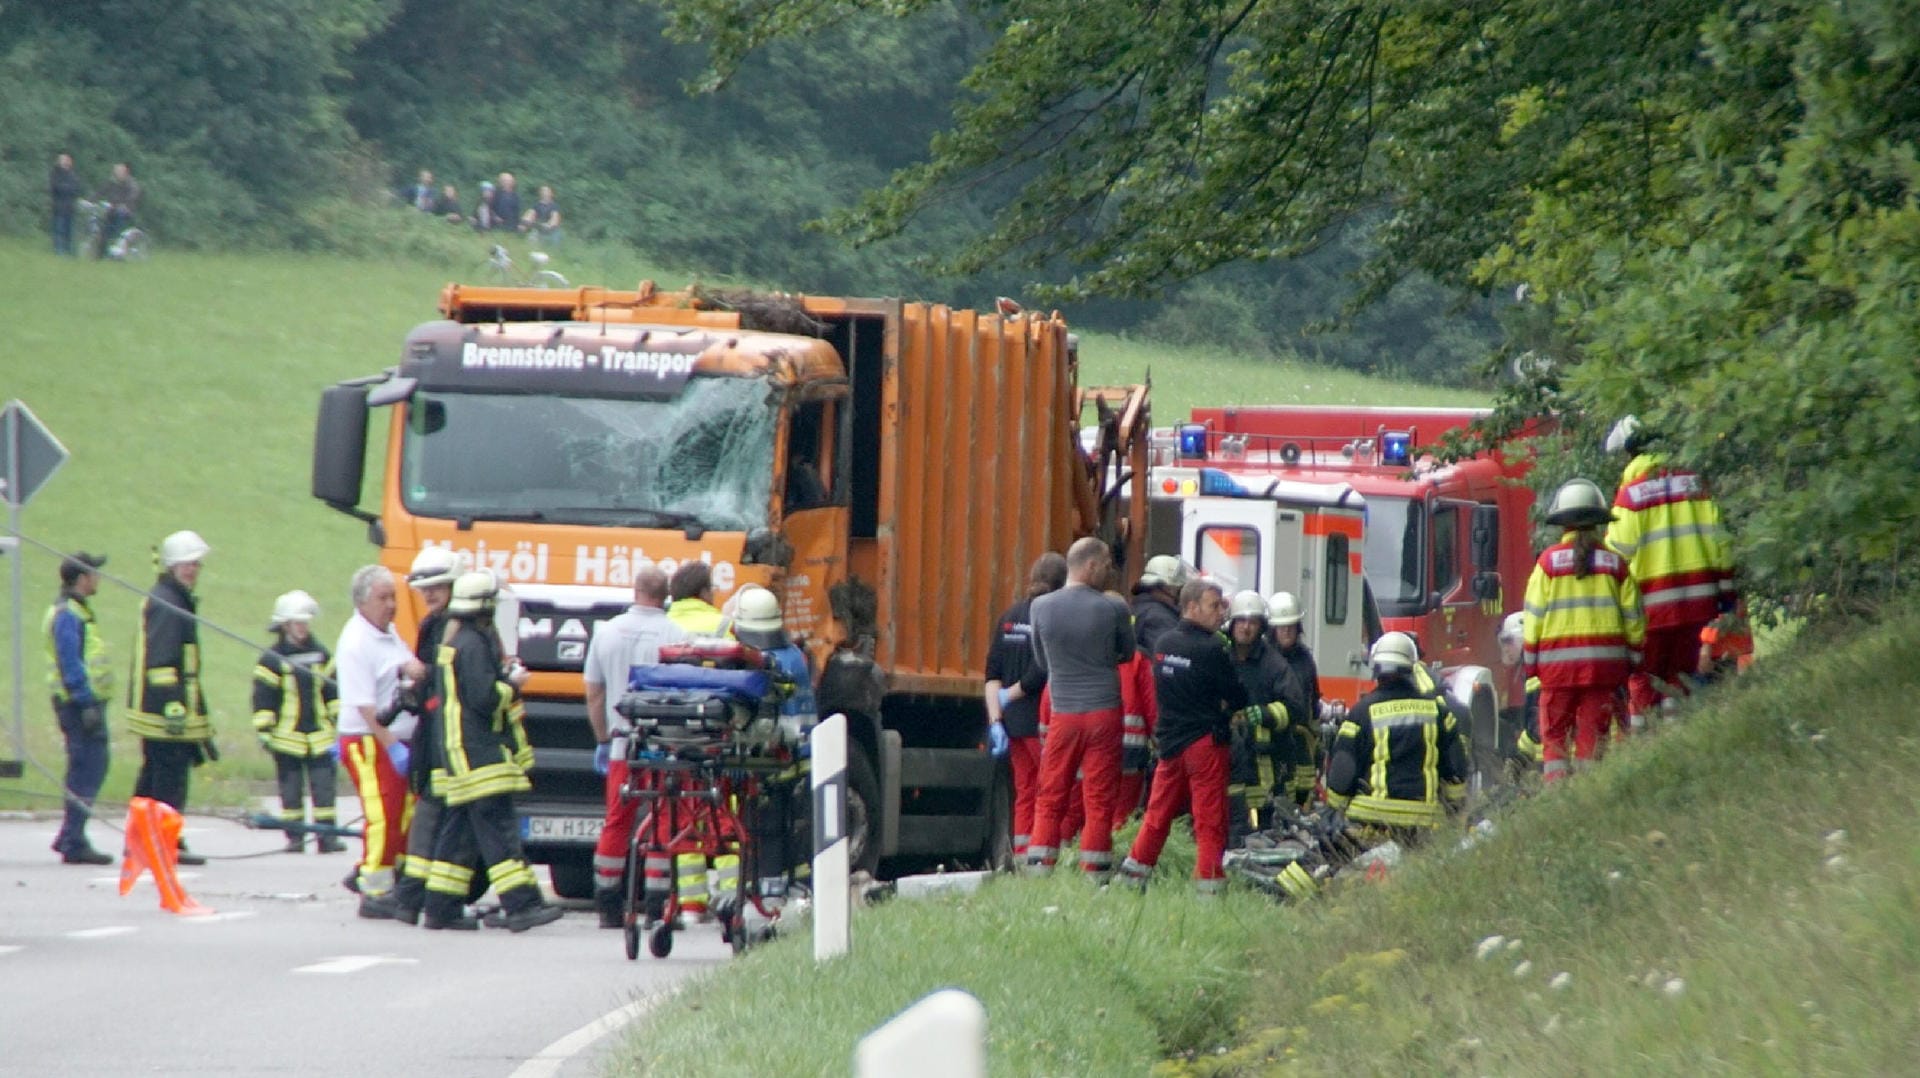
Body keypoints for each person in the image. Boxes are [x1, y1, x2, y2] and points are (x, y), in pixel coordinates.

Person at [419, 572, 563, 932]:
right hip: (480, 754)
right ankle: (521, 906)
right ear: (485, 607)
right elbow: (484, 698)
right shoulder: (475, 643)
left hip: (458, 753)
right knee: (499, 832)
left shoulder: (456, 640)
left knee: (457, 836)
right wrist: (511, 685)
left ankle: (440, 907)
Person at [1603, 415, 1736, 730]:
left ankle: (1642, 749)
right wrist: (1727, 600)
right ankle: (1681, 740)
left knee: (1643, 684)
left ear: (1631, 453)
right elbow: (1722, 545)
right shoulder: (1696, 484)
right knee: (1683, 683)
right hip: (1699, 608)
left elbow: (1616, 556)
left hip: (1649, 614)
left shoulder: (1631, 495)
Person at [1117, 579, 1248, 894]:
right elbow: (1238, 696)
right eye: (1214, 605)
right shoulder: (1214, 648)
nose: (1221, 613)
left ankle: (1132, 879)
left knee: (1157, 815)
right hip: (1205, 745)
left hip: (1170, 746)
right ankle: (1209, 889)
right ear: (1191, 607)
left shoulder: (1163, 645)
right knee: (1209, 820)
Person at [1020, 538, 1136, 880]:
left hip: (1064, 713)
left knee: (1050, 793)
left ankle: (1040, 870)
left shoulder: (1039, 607)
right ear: (1091, 566)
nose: (1109, 574)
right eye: (1106, 566)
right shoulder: (1113, 609)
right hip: (1104, 712)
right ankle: (1095, 874)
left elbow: (1041, 661)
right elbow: (1127, 654)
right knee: (1099, 798)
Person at [582, 566, 690, 927]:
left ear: (635, 591)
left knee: (617, 820)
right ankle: (656, 907)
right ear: (666, 596)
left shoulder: (607, 632)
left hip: (621, 746)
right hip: (664, 747)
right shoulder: (677, 634)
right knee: (662, 817)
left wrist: (602, 738)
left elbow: (595, 694)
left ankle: (608, 903)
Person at [1524, 479, 1645, 782]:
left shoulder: (1547, 563)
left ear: (1562, 523)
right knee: (1593, 738)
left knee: (1554, 737)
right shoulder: (1616, 565)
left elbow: (1533, 617)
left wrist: (1531, 664)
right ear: (1599, 522)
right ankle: (1587, 794)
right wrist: (1632, 658)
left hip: (1556, 669)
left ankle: (1556, 798)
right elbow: (1634, 619)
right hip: (1604, 669)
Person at [333, 565, 423, 917]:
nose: (391, 605)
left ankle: (385, 874)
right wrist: (391, 745)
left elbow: (399, 666)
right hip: (370, 741)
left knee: (403, 813)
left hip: (395, 738)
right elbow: (365, 706)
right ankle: (375, 890)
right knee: (382, 815)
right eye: (382, 598)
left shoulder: (387, 634)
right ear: (362, 602)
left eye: (393, 597)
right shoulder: (356, 642)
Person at [1323, 632, 1469, 842]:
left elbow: (1343, 768)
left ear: (1377, 669)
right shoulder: (1439, 711)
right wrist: (1455, 809)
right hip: (1424, 824)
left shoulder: (1362, 712)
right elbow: (1456, 766)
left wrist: (1333, 808)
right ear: (1411, 668)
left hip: (1372, 821)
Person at [389, 548, 471, 923]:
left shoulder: (450, 624)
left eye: (436, 587)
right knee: (438, 817)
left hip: (442, 734)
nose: (430, 595)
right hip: (440, 737)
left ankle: (412, 900)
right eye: (425, 590)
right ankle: (422, 901)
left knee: (433, 817)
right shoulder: (438, 626)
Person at [729, 585, 817, 910]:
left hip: (778, 756)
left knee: (770, 825)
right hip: (803, 754)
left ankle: (770, 890)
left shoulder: (763, 663)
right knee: (795, 826)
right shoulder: (795, 656)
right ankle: (796, 888)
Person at [130, 530, 213, 865]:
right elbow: (162, 658)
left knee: (154, 775)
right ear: (171, 565)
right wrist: (173, 704)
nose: (192, 570)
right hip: (165, 712)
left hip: (165, 709)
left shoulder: (173, 596)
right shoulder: (168, 601)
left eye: (195, 564)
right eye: (186, 564)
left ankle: (143, 841)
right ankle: (163, 842)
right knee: (168, 779)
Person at [984, 553, 1068, 859]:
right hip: (1041, 721)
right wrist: (1015, 693)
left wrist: (996, 719)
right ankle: (1043, 855)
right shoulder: (1050, 616)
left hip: (1012, 725)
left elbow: (992, 671)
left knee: (1024, 792)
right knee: (1049, 791)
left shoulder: (1009, 616)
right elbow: (1041, 670)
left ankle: (1021, 854)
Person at [252, 590, 343, 854]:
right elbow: (263, 698)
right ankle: (296, 838)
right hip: (286, 738)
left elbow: (332, 692)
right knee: (291, 792)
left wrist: (340, 722)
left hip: (320, 736)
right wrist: (265, 730)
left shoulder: (320, 654)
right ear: (285, 624)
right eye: (297, 623)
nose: (303, 628)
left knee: (324, 789)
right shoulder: (271, 659)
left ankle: (327, 836)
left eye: (305, 622)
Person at [44, 551, 112, 864]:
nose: (98, 578)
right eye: (94, 573)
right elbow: (70, 663)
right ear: (82, 579)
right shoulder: (69, 614)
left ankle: (71, 835)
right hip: (79, 705)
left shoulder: (75, 611)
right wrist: (86, 702)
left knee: (86, 768)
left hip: (81, 703)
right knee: (87, 769)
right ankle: (73, 838)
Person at [1223, 591, 1304, 847]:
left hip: (1267, 758)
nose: (1246, 628)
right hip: (1227, 753)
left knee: (1267, 824)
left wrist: (1264, 714)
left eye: (1253, 622)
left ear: (1261, 627)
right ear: (1232, 624)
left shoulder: (1273, 663)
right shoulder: (1220, 654)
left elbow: (1295, 706)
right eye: (1241, 621)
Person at [1266, 592, 1323, 807]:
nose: (1287, 630)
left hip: (1302, 739)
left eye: (1291, 625)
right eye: (1281, 626)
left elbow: (1313, 699)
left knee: (1303, 790)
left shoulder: (1305, 659)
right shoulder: (1264, 657)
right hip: (1275, 739)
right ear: (1272, 629)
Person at [1496, 611, 1543, 773]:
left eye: (1509, 641)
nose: (1506, 649)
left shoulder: (1535, 671)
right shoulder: (1533, 665)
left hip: (1549, 757)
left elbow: (1536, 725)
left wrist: (1517, 760)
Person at [1129, 555, 1190, 654]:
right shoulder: (1159, 618)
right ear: (1167, 588)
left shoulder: (1139, 607)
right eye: (1179, 589)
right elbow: (1172, 656)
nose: (1180, 594)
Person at [667, 561, 730, 636]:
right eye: (712, 587)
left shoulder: (662, 624)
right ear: (703, 592)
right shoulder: (725, 625)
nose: (714, 593)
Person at [93, 162, 140, 258]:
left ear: (125, 172)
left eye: (120, 171)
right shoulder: (111, 183)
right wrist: (91, 201)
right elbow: (100, 192)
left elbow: (133, 196)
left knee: (118, 231)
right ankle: (101, 255)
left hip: (125, 213)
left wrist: (124, 205)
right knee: (103, 231)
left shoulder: (131, 184)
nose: (118, 173)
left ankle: (119, 253)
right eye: (116, 171)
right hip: (111, 211)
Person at [49, 153, 83, 256]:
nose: (65, 162)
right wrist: (66, 188)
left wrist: (65, 188)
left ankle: (68, 251)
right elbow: (55, 187)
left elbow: (76, 189)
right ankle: (59, 251)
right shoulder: (55, 173)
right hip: (58, 206)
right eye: (62, 160)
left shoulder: (73, 175)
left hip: (70, 207)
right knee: (58, 229)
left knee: (69, 232)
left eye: (67, 160)